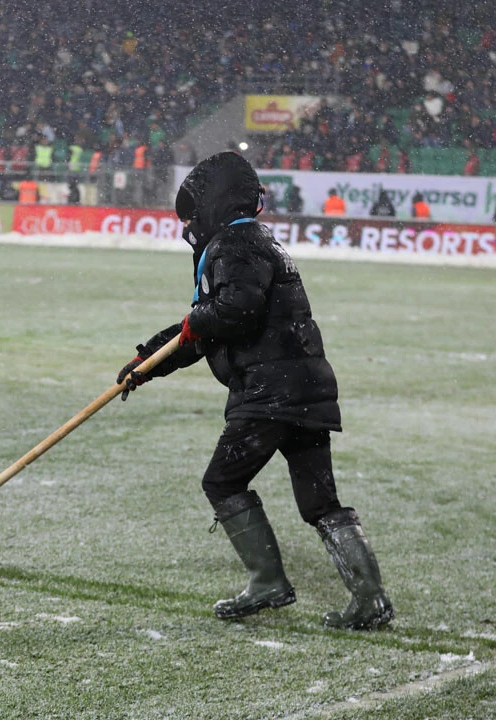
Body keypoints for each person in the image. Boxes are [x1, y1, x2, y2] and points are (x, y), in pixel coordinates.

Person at [116, 152, 393, 630]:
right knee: (320, 503)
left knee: (222, 482)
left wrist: (195, 322)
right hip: (305, 389)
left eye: (191, 215)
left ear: (213, 203)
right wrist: (148, 362)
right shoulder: (259, 241)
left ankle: (268, 582)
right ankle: (371, 600)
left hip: (269, 393)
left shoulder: (234, 243)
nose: (188, 227)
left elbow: (232, 311)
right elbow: (205, 330)